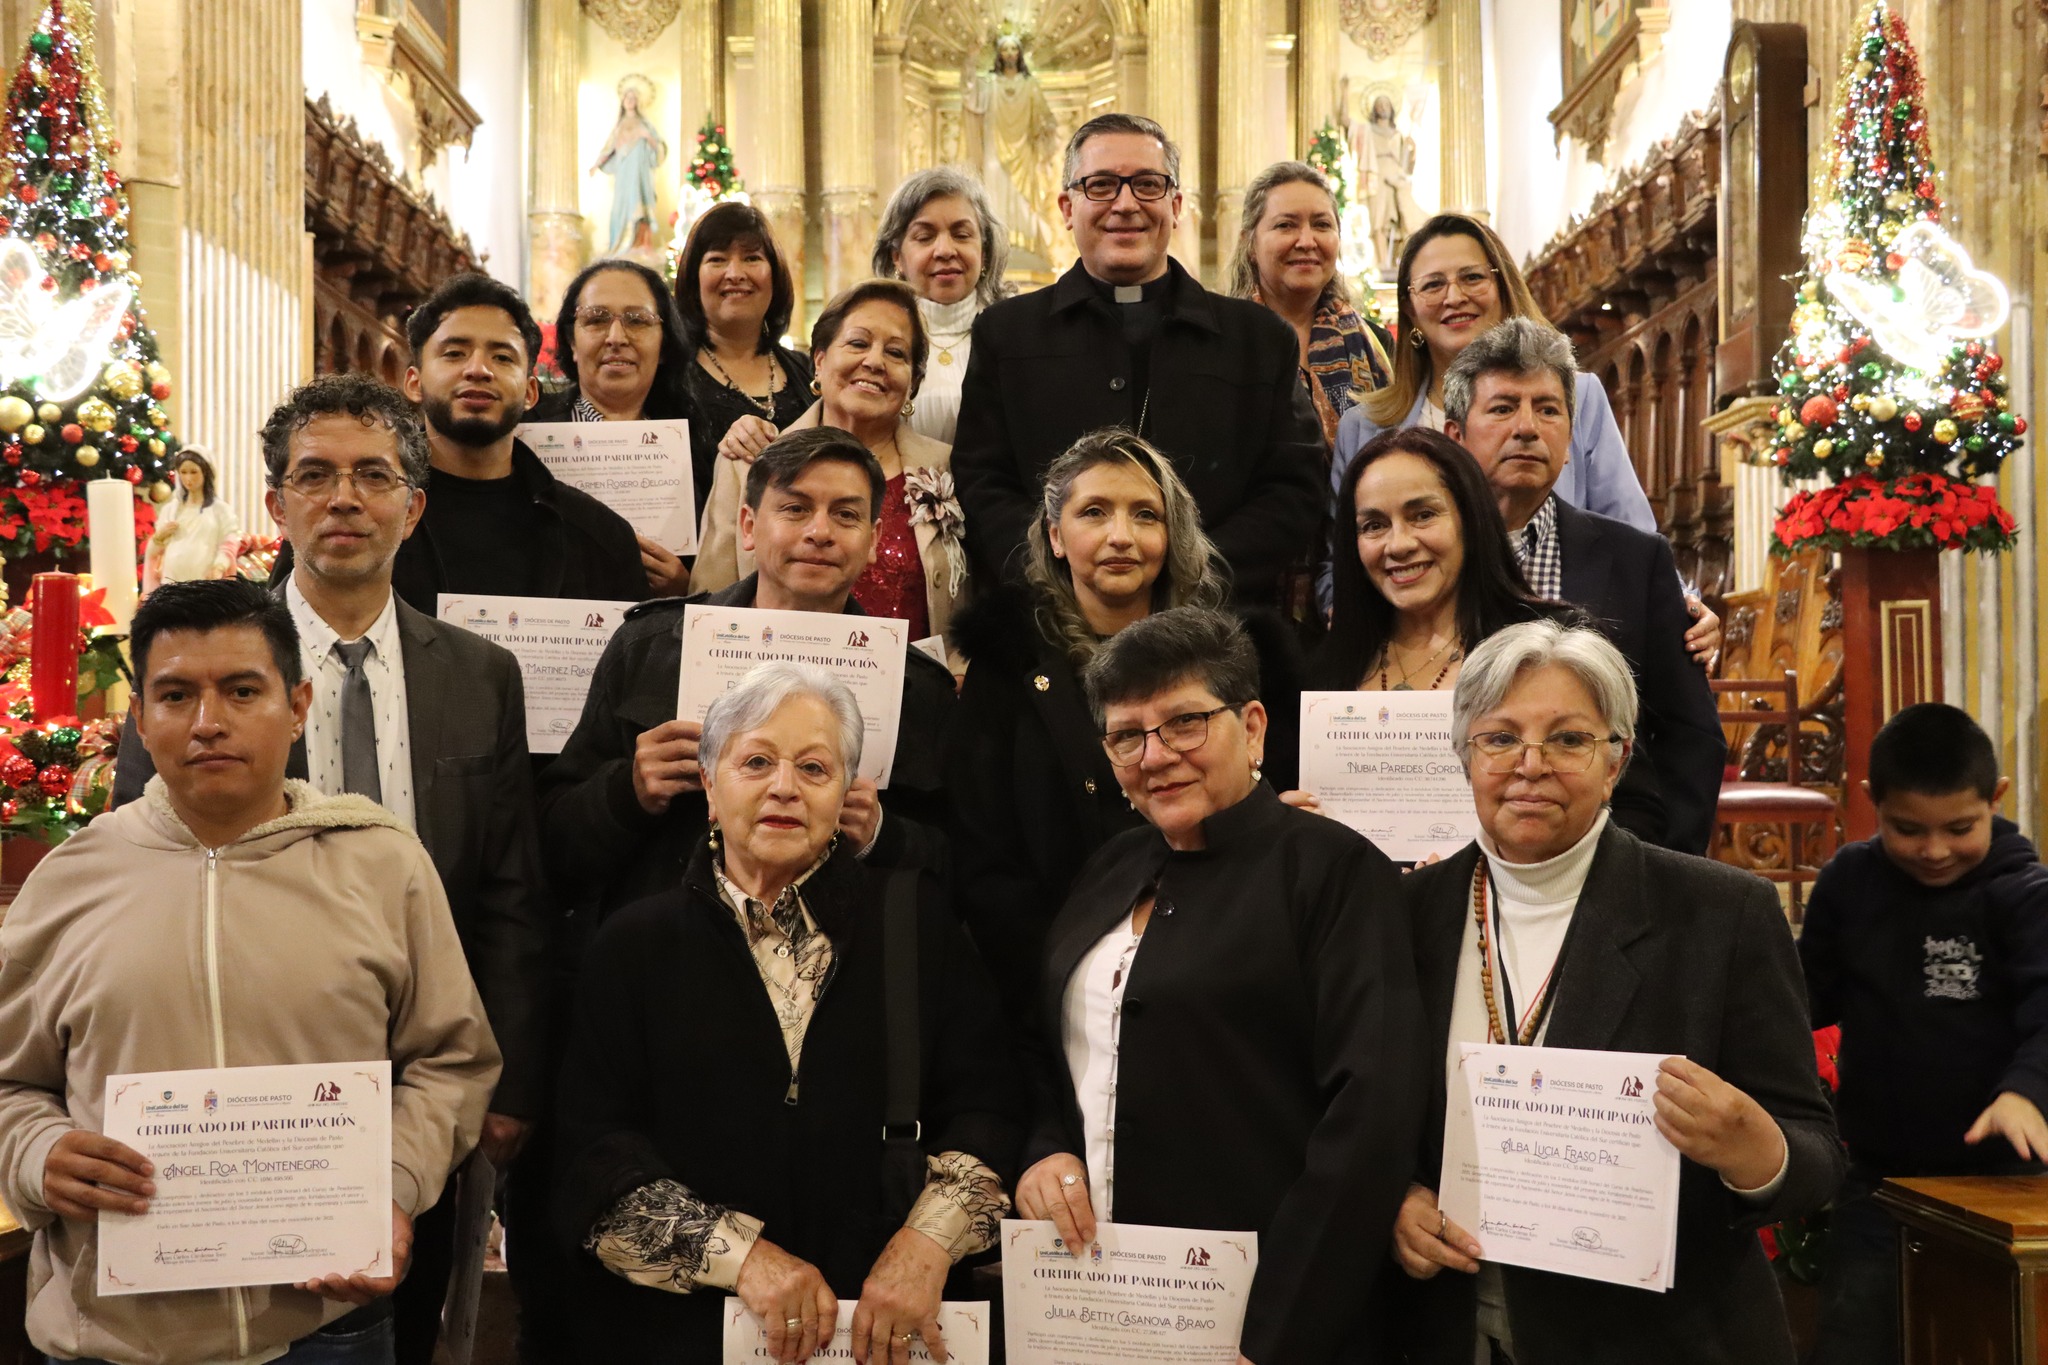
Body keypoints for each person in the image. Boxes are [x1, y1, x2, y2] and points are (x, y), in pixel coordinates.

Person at [110, 374, 556, 1365]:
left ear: (414, 505)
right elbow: (142, 871)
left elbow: (510, 891)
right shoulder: (199, 671)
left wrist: (510, 1081)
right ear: (277, 504)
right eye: (314, 476)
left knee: (404, 1324)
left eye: (372, 476)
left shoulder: (479, 673)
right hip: (242, 1086)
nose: (343, 498)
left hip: (424, 1082)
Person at [0, 578, 501, 1365]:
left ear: (297, 705)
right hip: (113, 1335)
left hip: (324, 1325)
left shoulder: (383, 865)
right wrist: (36, 1152)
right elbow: (10, 1081)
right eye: (176, 695)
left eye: (242, 690)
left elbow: (452, 1059)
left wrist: (393, 1184)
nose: (209, 721)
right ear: (140, 718)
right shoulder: (71, 880)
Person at [1392, 620, 1844, 1364]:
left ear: (1616, 761)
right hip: (1450, 1328)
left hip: (1657, 1340)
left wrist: (1754, 1149)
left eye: (1568, 739)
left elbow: (1815, 1161)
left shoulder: (1720, 914)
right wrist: (1396, 1202)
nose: (1530, 765)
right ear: (1465, 755)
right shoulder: (1403, 917)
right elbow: (1362, 1119)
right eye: (1500, 738)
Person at [553, 662, 1024, 1364]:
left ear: (846, 794)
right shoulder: (633, 943)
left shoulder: (916, 922)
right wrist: (743, 1258)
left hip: (889, 1336)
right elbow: (590, 1160)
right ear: (709, 785)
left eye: (813, 767)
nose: (784, 787)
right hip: (684, 1337)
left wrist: (927, 1243)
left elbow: (993, 1110)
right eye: (756, 762)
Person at [1013, 607, 1424, 1365]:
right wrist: (1043, 1150)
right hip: (1096, 1298)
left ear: (1254, 726)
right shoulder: (1109, 866)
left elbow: (1369, 1119)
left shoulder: (1334, 870)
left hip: (1263, 1315)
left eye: (1185, 723)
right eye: (1126, 735)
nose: (1155, 755)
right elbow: (1047, 1047)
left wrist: (1278, 1334)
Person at [947, 429, 1303, 1026]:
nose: (1121, 535)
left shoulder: (1233, 658)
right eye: (1094, 512)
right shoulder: (1006, 663)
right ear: (1055, 536)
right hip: (1049, 987)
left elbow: (1272, 803)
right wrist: (1062, 980)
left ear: (1171, 534)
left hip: (1224, 973)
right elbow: (983, 856)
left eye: (1145, 515)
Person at [541, 425, 957, 924]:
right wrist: (627, 792)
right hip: (667, 946)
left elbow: (959, 865)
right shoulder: (648, 647)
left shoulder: (918, 688)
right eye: (795, 508)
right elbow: (552, 844)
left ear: (873, 540)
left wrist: (881, 836)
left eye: (845, 514)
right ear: (747, 526)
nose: (820, 532)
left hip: (843, 953)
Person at [952, 112, 1325, 601]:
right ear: (1067, 207)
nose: (1126, 204)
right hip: (1046, 622)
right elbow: (983, 482)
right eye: (1101, 185)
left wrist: (1192, 578)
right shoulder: (1007, 334)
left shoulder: (1259, 338)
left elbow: (1293, 487)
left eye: (1148, 185)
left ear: (1175, 205)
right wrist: (1061, 581)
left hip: (1216, 621)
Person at [1799, 703, 2048, 1365]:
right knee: (1853, 1342)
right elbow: (1801, 996)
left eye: (1959, 828)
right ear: (1871, 800)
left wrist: (2027, 1091)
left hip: (2003, 1181)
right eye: (1907, 829)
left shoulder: (2026, 894)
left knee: (1983, 1341)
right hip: (1880, 1177)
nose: (1934, 851)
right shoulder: (1849, 882)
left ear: (1995, 799)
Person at [1443, 318, 1725, 854]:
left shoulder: (1636, 560)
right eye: (1503, 408)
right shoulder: (1420, 556)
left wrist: (1657, 867)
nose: (1527, 428)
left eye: (1548, 410)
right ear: (1455, 436)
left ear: (1571, 439)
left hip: (1609, 850)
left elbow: (1690, 735)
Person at [1333, 213, 1656, 536]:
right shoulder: (1363, 427)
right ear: (1410, 310)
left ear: (1503, 290)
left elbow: (1631, 537)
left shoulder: (1579, 397)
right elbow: (1340, 556)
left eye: (1472, 277)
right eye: (1433, 285)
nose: (1454, 297)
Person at [694, 279, 965, 652]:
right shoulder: (749, 458)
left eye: (896, 353)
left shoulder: (949, 468)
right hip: (770, 681)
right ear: (819, 362)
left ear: (914, 383)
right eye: (858, 343)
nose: (874, 362)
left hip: (914, 683)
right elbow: (710, 605)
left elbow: (974, 603)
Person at [388, 270, 648, 609]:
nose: (478, 369)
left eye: (502, 357)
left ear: (529, 392)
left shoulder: (599, 537)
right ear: (414, 382)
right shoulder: (373, 516)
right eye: (454, 353)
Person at [528, 258, 697, 595]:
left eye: (638, 320)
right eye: (596, 319)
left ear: (664, 345)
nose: (616, 337)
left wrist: (686, 587)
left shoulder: (695, 447)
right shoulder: (524, 435)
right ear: (572, 342)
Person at [1228, 161, 1392, 452]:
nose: (1307, 241)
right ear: (1249, 244)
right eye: (1285, 225)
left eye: (1322, 225)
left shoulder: (1376, 344)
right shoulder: (1221, 343)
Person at [671, 201, 812, 513]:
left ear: (774, 276)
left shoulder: (808, 372)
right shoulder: (668, 376)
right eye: (717, 260)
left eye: (751, 258)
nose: (735, 274)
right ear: (694, 278)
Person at [870, 166, 1011, 445]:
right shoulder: (871, 340)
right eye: (925, 237)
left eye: (962, 235)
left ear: (984, 252)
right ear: (897, 257)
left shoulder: (1016, 333)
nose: (945, 251)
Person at [590, 77, 667, 256]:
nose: (631, 101)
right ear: (623, 101)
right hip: (624, 173)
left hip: (640, 172)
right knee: (622, 205)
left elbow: (659, 147)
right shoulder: (620, 125)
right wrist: (596, 165)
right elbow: (608, 149)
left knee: (641, 202)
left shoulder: (645, 124)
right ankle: (619, 245)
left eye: (634, 98)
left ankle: (641, 245)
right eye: (628, 98)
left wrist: (647, 137)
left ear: (638, 101)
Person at [143, 447, 239, 590]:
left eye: (194, 472)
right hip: (171, 582)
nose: (188, 478)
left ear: (205, 472)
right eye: (183, 472)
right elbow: (155, 552)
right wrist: (159, 538)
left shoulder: (220, 510)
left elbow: (229, 543)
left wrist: (219, 566)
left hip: (204, 582)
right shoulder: (171, 510)